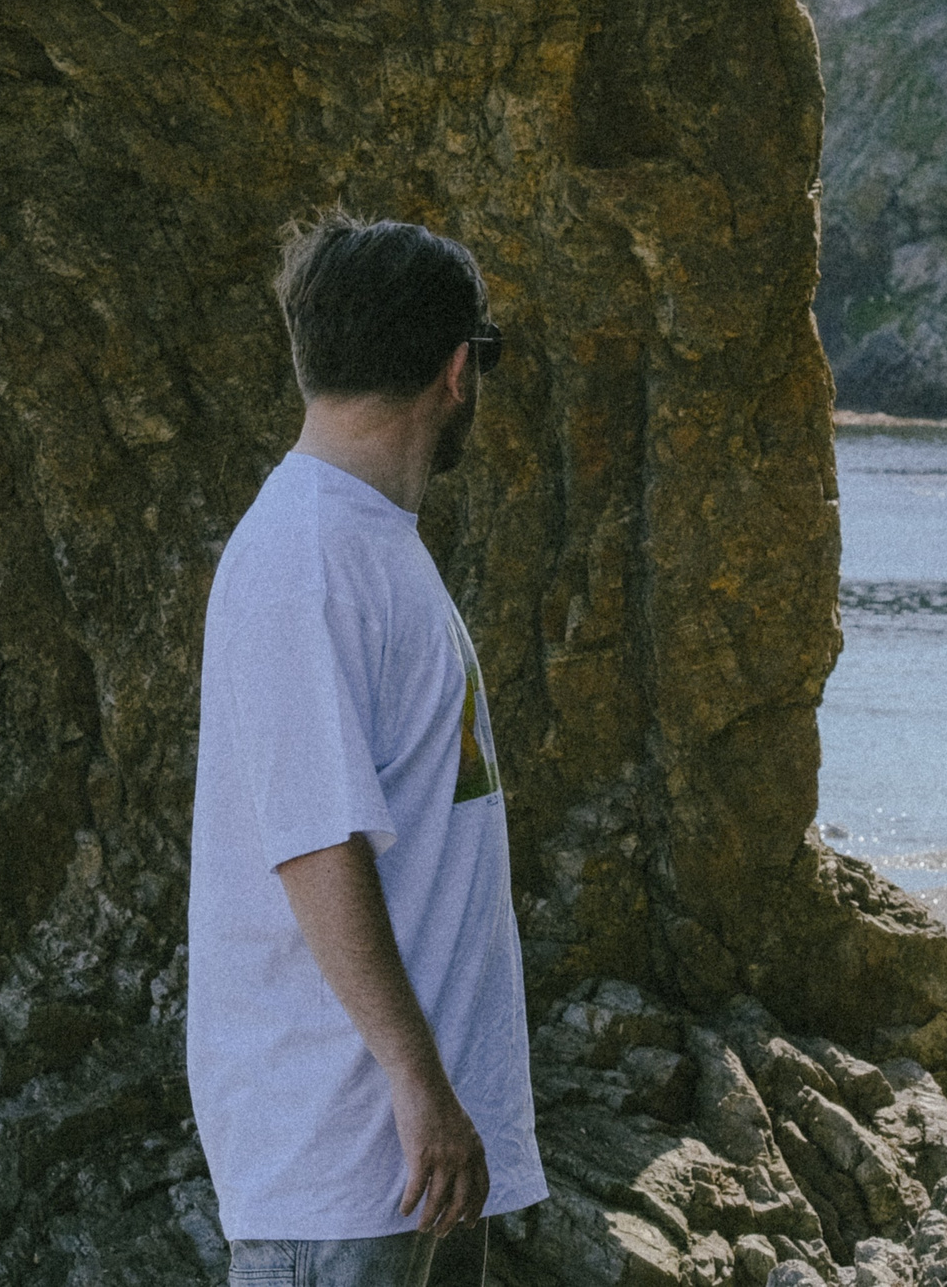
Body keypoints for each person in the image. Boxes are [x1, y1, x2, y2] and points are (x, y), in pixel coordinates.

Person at [188, 213, 547, 1287]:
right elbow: (311, 845)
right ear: (454, 369)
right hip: (345, 1155)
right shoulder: (308, 557)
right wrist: (418, 1083)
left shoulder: (360, 541)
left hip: (401, 1160)